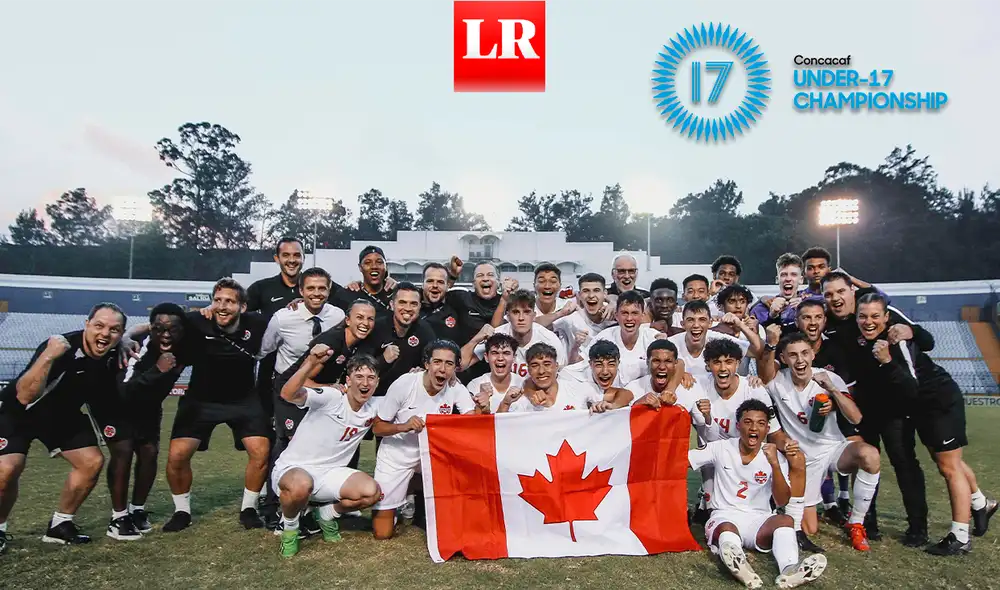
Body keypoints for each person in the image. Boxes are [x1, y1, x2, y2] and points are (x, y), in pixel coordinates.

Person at [123, 279, 272, 532]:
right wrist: (126, 336)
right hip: (201, 400)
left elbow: (288, 321)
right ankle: (182, 511)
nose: (222, 306)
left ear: (243, 307)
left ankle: (249, 507)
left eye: (230, 301)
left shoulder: (258, 324)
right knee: (177, 456)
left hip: (243, 400)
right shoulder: (196, 321)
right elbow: (156, 326)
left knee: (261, 452)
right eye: (218, 300)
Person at [855, 293, 996, 555]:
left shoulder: (897, 342)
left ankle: (960, 538)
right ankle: (980, 502)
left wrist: (887, 360)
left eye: (875, 316)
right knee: (943, 459)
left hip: (936, 401)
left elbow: (912, 386)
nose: (868, 321)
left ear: (887, 317)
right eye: (862, 316)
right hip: (919, 408)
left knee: (948, 466)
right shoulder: (869, 340)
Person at [0, 303, 126, 550]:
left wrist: (128, 338)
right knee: (6, 469)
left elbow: (138, 333)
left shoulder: (113, 350)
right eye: (99, 326)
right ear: (86, 324)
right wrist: (48, 356)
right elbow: (24, 396)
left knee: (91, 462)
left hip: (61, 417)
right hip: (19, 413)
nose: (105, 334)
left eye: (114, 329)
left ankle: (60, 525)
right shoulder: (60, 347)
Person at [688, 399, 826, 589]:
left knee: (784, 520)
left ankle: (789, 570)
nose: (754, 428)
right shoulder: (721, 447)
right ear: (738, 426)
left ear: (767, 428)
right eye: (748, 422)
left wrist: (775, 465)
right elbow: (684, 460)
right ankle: (740, 565)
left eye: (761, 423)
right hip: (724, 515)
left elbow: (781, 500)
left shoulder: (774, 456)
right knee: (726, 529)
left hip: (759, 521)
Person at [764, 332, 880, 552]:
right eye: (793, 355)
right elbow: (763, 374)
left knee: (870, 455)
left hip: (834, 448)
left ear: (813, 354)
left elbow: (856, 418)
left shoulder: (828, 377)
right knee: (808, 528)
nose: (800, 360)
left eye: (805, 353)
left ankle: (856, 522)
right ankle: (782, 509)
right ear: (784, 358)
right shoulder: (778, 382)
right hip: (804, 458)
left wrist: (834, 392)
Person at [273, 349, 383, 558]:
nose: (365, 383)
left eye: (371, 378)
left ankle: (326, 514)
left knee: (372, 492)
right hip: (293, 470)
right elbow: (287, 394)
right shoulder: (333, 397)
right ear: (348, 381)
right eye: (359, 377)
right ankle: (290, 528)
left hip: (330, 475)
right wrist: (310, 362)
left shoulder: (375, 406)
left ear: (377, 382)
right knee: (301, 485)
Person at [258, 267, 344, 531]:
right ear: (300, 291)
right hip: (289, 389)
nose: (316, 294)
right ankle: (275, 507)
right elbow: (265, 350)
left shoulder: (338, 315)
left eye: (322, 288)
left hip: (318, 391)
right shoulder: (283, 318)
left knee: (317, 446)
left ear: (329, 290)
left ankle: (309, 507)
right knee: (286, 445)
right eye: (311, 288)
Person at [371, 340, 482, 539]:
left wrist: (482, 406)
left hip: (431, 457)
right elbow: (377, 427)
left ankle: (414, 491)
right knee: (382, 533)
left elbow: (471, 421)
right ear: (426, 364)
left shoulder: (455, 386)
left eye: (449, 364)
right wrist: (403, 426)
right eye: (437, 362)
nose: (442, 369)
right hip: (397, 456)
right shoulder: (405, 384)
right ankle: (402, 495)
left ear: (455, 368)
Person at [244, 237, 306, 525]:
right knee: (273, 442)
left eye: (297, 255)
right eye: (286, 255)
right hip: (271, 379)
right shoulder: (262, 289)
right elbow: (239, 317)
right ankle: (268, 502)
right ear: (276, 258)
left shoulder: (314, 286)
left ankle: (301, 499)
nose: (292, 260)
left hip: (306, 382)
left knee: (302, 440)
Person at [113, 303, 188, 535]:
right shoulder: (139, 347)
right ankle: (118, 517)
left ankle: (137, 509)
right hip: (120, 407)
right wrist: (157, 369)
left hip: (150, 407)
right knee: (123, 453)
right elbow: (124, 391)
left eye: (172, 329)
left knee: (149, 454)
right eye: (158, 329)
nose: (165, 334)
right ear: (151, 329)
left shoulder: (186, 342)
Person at [692, 339, 785, 526]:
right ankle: (706, 502)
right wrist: (683, 376)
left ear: (738, 363)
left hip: (745, 450)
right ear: (708, 365)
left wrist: (784, 451)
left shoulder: (753, 388)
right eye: (717, 362)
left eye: (728, 362)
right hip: (712, 452)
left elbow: (772, 430)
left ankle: (785, 513)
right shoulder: (698, 385)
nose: (723, 368)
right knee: (715, 513)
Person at [498, 344, 632, 413]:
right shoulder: (519, 400)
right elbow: (500, 432)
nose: (542, 371)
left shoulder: (579, 388)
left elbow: (626, 394)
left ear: (556, 367)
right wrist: (505, 403)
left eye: (547, 364)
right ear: (528, 369)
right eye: (535, 365)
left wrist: (612, 406)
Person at [463, 289, 567, 377]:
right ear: (508, 316)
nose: (521, 318)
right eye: (516, 312)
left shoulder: (549, 339)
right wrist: (475, 340)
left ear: (534, 315)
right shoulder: (497, 335)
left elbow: (561, 376)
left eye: (526, 312)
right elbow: (461, 365)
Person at [366, 283, 438, 399]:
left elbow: (435, 362)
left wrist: (423, 371)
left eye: (413, 304)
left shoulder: (425, 330)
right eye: (402, 302)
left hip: (408, 399)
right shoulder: (376, 328)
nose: (408, 308)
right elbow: (360, 367)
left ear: (420, 307)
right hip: (374, 397)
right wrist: (383, 360)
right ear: (392, 304)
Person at [627, 340, 712, 432]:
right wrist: (638, 405)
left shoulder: (689, 388)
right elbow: (620, 425)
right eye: (656, 361)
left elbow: (709, 436)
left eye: (668, 361)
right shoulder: (633, 388)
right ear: (647, 362)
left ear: (675, 364)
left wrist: (707, 417)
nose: (662, 367)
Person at [582, 291, 664, 383]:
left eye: (634, 313)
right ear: (616, 315)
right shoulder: (603, 337)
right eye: (624, 313)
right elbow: (582, 364)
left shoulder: (654, 338)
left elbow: (675, 365)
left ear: (642, 316)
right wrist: (576, 346)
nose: (629, 318)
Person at [667, 301, 758, 382]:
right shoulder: (670, 344)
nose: (696, 325)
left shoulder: (718, 339)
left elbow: (757, 351)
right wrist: (677, 375)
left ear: (710, 323)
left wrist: (740, 325)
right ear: (683, 324)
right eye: (690, 320)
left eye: (702, 320)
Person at [748, 253, 821, 336]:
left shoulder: (811, 300)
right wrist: (772, 315)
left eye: (793, 274)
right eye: (783, 275)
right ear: (777, 279)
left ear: (801, 280)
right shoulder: (762, 308)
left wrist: (805, 307)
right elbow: (759, 337)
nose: (788, 279)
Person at [551, 273, 616, 364]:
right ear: (579, 295)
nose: (591, 295)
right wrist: (560, 313)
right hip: (578, 371)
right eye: (586, 291)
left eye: (596, 290)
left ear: (605, 294)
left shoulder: (616, 315)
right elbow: (534, 326)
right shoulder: (571, 319)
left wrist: (614, 303)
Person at [331, 245, 396, 320]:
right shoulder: (346, 295)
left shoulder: (395, 294)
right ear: (360, 267)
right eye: (367, 263)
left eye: (379, 262)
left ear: (386, 266)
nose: (374, 266)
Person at [466, 333, 523, 413]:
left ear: (514, 358)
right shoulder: (474, 386)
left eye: (506, 353)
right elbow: (473, 424)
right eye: (495, 353)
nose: (500, 358)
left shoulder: (524, 385)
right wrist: (481, 407)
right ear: (486, 357)